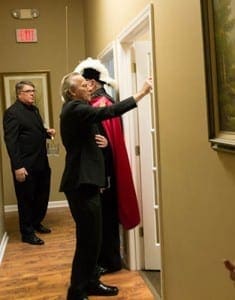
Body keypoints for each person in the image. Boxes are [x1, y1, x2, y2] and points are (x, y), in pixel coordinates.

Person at [59, 71, 152, 300]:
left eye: (89, 82)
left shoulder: (80, 111)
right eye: (83, 84)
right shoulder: (74, 108)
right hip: (80, 185)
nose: (89, 86)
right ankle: (77, 291)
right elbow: (108, 111)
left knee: (94, 239)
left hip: (88, 183)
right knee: (88, 240)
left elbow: (89, 134)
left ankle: (91, 282)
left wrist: (102, 141)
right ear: (72, 92)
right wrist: (140, 93)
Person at [74, 57, 141, 275]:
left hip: (106, 173)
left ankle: (110, 260)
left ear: (92, 83)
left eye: (84, 84)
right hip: (99, 171)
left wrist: (108, 144)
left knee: (106, 219)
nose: (85, 88)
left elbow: (111, 138)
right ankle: (104, 258)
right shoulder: (92, 105)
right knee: (100, 220)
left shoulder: (104, 103)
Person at [3, 80, 56, 245]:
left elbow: (34, 131)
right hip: (24, 165)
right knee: (26, 199)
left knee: (41, 196)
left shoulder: (34, 110)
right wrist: (17, 167)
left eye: (33, 90)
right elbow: (11, 142)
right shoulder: (12, 113)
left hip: (41, 162)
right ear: (19, 94)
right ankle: (27, 233)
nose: (33, 93)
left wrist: (47, 133)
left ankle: (35, 223)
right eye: (28, 91)